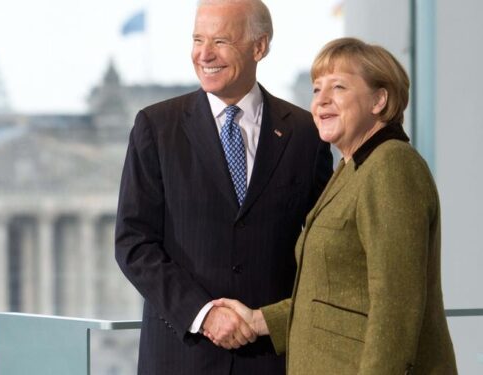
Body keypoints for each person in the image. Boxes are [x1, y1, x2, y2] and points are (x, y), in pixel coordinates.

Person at [211, 37, 458, 374]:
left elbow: (395, 307)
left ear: (379, 99)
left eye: (338, 87)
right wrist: (258, 320)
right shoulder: (352, 168)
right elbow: (337, 296)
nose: (321, 100)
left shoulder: (391, 166)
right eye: (316, 89)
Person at [114, 0, 333, 373]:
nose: (204, 54)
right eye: (198, 39)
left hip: (272, 359)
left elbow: (323, 248)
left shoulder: (305, 133)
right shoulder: (156, 127)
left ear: (259, 47)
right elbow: (133, 244)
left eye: (220, 41)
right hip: (182, 357)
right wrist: (204, 313)